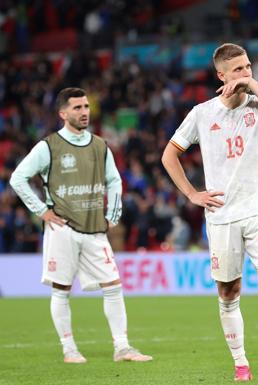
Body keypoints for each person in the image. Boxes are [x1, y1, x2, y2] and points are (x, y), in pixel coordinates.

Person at [161, 43, 258, 382]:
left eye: (248, 66)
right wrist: (192, 194)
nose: (246, 73)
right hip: (222, 216)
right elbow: (169, 155)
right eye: (238, 70)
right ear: (220, 76)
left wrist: (251, 84)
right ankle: (241, 364)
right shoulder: (202, 114)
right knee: (229, 291)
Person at [9, 87, 152, 364]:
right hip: (62, 229)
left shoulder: (100, 145)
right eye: (77, 108)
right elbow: (18, 178)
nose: (84, 112)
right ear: (63, 113)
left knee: (113, 285)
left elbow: (114, 181)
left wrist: (113, 213)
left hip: (95, 229)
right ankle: (69, 349)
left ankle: (122, 347)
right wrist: (42, 211)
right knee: (61, 289)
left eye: (86, 107)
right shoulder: (48, 146)